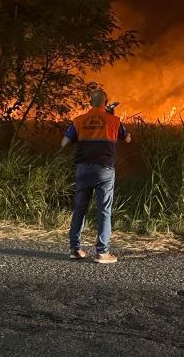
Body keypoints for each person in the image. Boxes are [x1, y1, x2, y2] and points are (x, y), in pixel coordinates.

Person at [60, 89, 132, 264]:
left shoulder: (78, 121)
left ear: (90, 102)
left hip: (83, 169)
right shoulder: (114, 121)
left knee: (80, 209)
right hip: (104, 170)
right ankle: (102, 253)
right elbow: (128, 139)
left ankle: (75, 250)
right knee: (104, 210)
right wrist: (111, 118)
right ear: (106, 103)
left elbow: (64, 143)